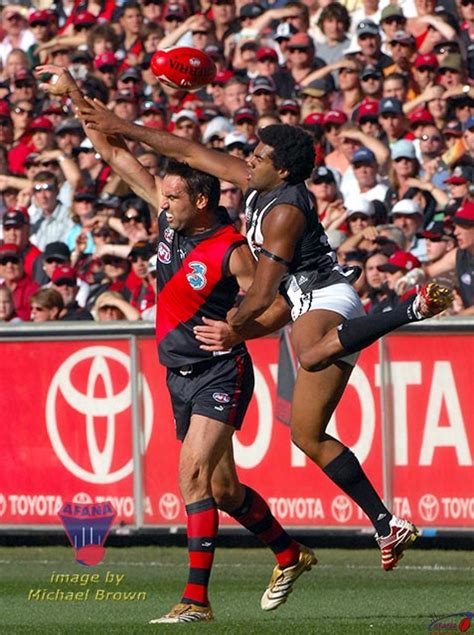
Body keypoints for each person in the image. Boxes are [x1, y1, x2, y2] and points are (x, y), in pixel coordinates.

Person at [72, 78, 454, 586]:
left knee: (312, 353)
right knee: (307, 436)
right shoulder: (259, 184)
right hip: (300, 302)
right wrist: (122, 126)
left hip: (323, 296)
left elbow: (261, 294)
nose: (247, 160)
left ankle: (409, 308)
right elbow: (187, 148)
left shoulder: (286, 210)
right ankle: (387, 523)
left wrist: (233, 327)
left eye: (259, 155)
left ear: (284, 168)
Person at [38, 65, 318, 624]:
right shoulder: (171, 220)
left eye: (172, 196)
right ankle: (291, 554)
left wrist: (241, 331)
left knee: (190, 476)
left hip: (220, 372)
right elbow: (116, 155)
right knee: (223, 488)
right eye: (162, 195)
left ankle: (196, 602)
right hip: (178, 373)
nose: (162, 203)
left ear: (204, 198)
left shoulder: (233, 250)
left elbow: (283, 302)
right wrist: (75, 94)